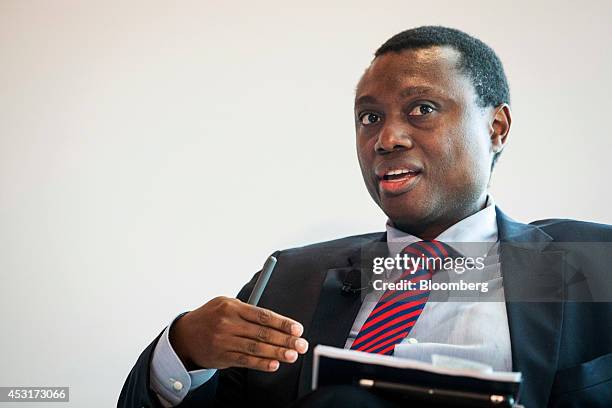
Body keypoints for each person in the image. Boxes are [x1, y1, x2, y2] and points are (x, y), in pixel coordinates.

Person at [118, 26, 612, 408]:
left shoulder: (594, 263)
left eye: (421, 108)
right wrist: (183, 350)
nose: (387, 138)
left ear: (496, 127)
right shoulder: (291, 278)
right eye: (369, 117)